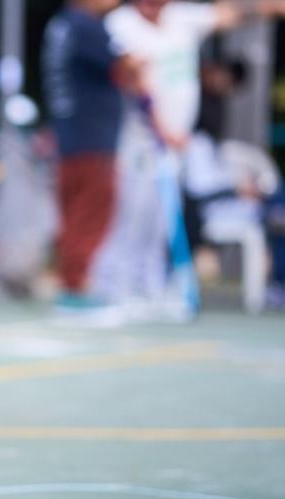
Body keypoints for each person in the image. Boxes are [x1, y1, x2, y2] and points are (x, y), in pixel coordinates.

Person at [94, 0, 285, 316]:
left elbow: (227, 15)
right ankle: (114, 288)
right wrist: (162, 129)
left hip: (174, 144)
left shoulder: (180, 17)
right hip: (138, 141)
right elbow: (132, 79)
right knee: (132, 215)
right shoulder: (122, 24)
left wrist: (269, 7)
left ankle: (148, 286)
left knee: (162, 218)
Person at [41, 0, 135, 310]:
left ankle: (72, 283)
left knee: (74, 213)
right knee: (91, 212)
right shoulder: (86, 26)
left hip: (70, 134)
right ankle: (75, 287)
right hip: (93, 137)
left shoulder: (62, 25)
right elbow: (122, 67)